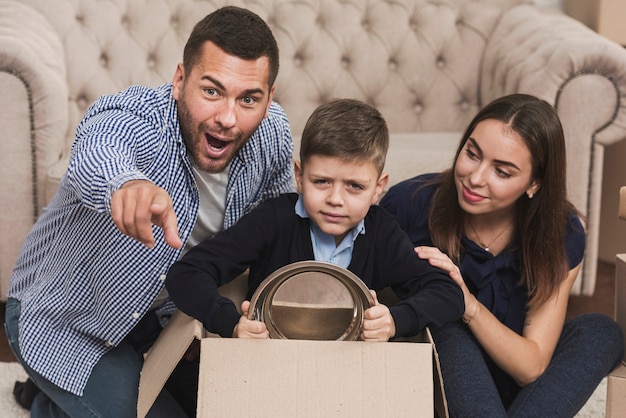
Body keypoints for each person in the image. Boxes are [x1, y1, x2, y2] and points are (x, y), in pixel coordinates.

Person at [4, 6, 294, 417]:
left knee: (235, 406)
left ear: (269, 97)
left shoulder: (273, 135)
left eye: (248, 98)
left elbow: (277, 236)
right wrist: (126, 185)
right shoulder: (135, 117)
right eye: (211, 91)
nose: (227, 118)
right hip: (65, 319)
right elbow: (98, 150)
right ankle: (52, 401)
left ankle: (54, 401)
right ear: (179, 80)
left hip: (166, 320)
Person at [379, 93, 624, 417]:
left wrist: (470, 305)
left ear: (534, 183)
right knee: (442, 312)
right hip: (442, 382)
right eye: (472, 153)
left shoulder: (560, 233)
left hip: (522, 389)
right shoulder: (409, 205)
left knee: (601, 331)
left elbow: (531, 366)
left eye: (502, 172)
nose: (476, 178)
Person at [165, 98, 464, 344]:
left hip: (349, 373)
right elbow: (187, 272)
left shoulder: (381, 233)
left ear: (378, 189)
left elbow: (448, 294)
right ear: (299, 176)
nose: (336, 198)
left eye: (355, 186)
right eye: (321, 181)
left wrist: (394, 321)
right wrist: (231, 323)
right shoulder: (274, 220)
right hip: (270, 365)